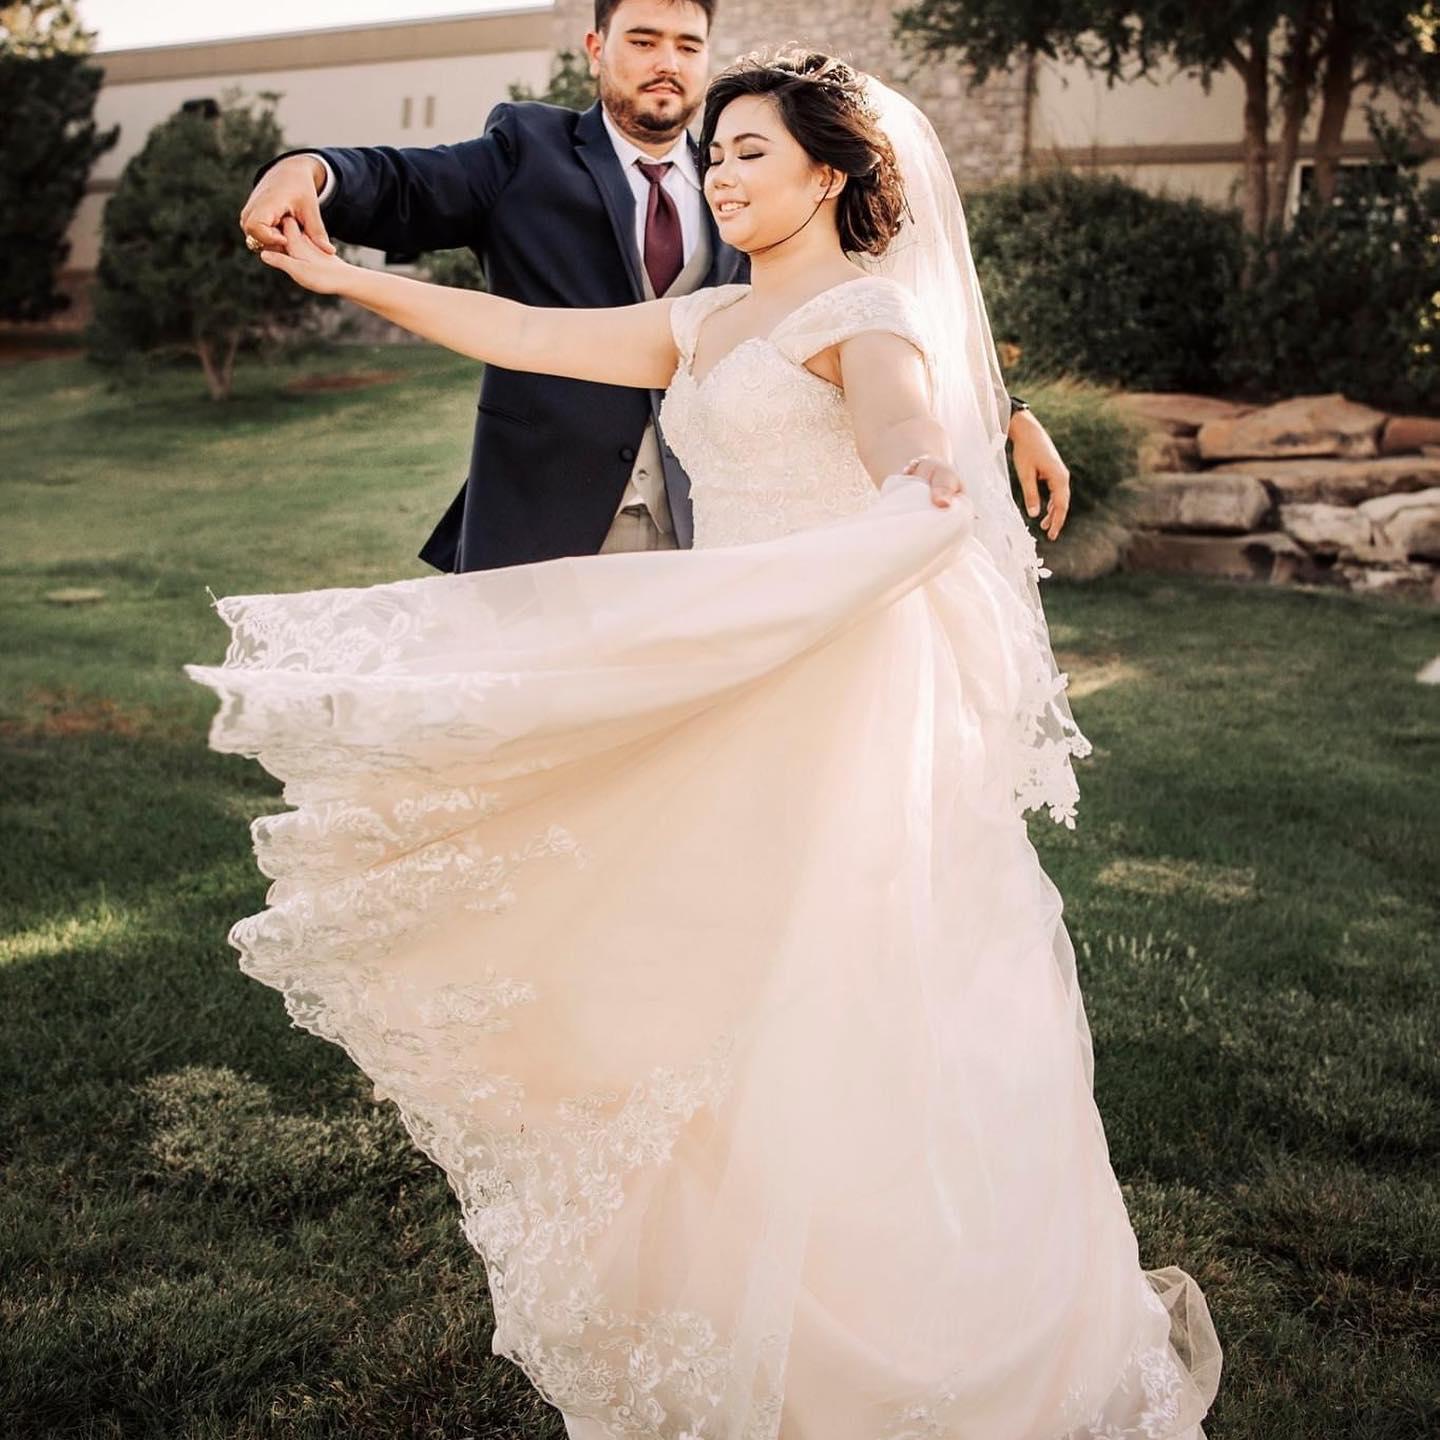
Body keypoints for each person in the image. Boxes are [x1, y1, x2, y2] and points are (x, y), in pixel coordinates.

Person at [190, 50, 1222, 1440]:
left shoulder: (865, 319)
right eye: (717, 154)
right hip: (725, 676)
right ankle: (731, 1292)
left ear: (831, 176)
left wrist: (927, 476)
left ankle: (897, 1329)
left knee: (834, 997)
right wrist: (349, 279)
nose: (723, 176)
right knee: (701, 989)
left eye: (750, 154)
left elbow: (909, 438)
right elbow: (527, 333)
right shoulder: (713, 316)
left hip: (825, 698)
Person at [238, 0, 1071, 572]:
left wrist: (981, 428)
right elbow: (503, 305)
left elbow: (889, 387)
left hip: (716, 548)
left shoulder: (791, 219)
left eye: (687, 44)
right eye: (643, 40)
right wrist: (319, 198)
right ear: (596, 47)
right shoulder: (532, 154)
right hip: (553, 525)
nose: (667, 62)